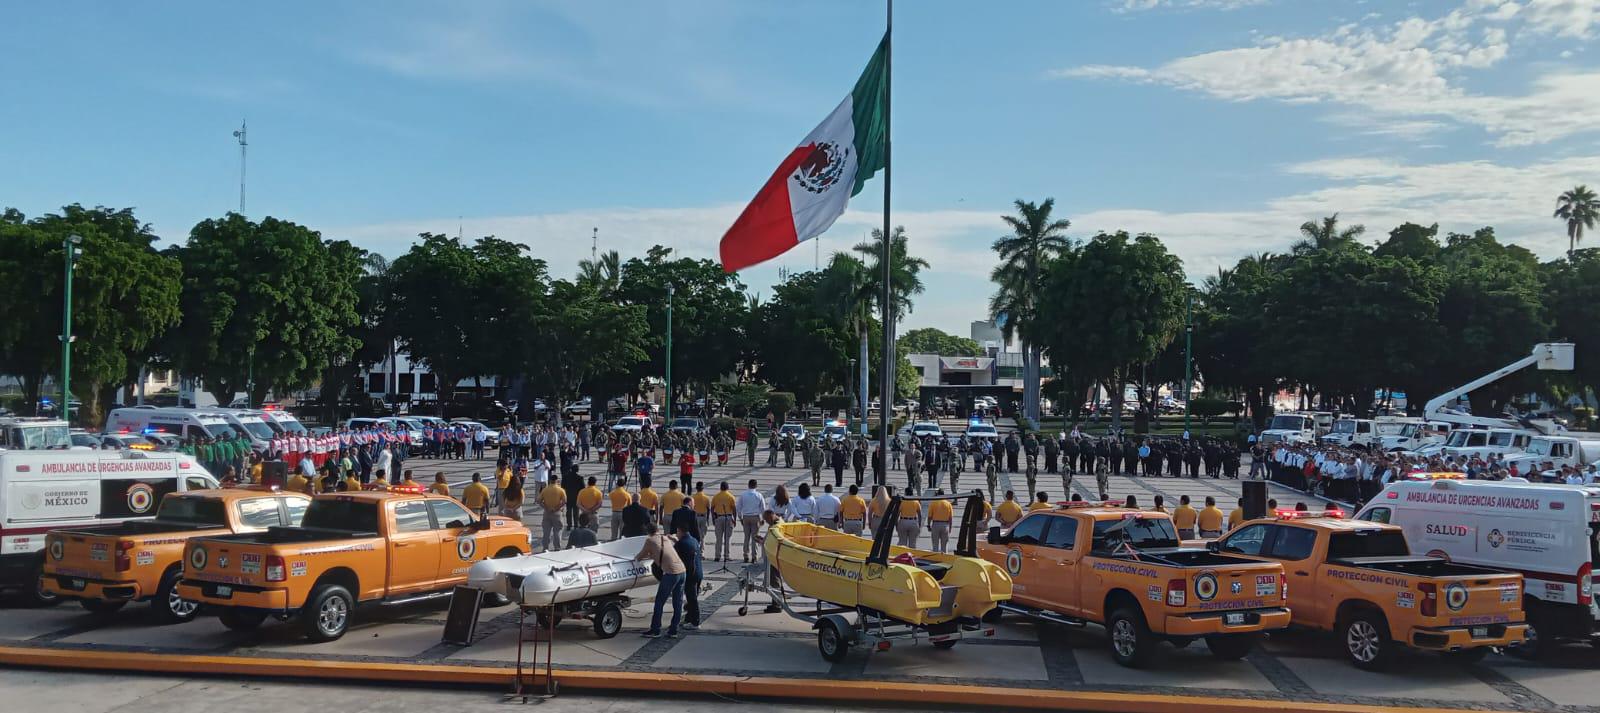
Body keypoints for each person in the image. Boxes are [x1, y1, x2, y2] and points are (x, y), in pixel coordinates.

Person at [635, 523, 685, 638]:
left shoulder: (650, 540)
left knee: (659, 602)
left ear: (648, 532)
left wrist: (634, 559)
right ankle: (673, 630)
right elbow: (675, 541)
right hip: (682, 571)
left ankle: (655, 629)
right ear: (657, 530)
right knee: (677, 602)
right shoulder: (665, 538)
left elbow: (640, 556)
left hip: (671, 573)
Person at [674, 519, 703, 630]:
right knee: (692, 597)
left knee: (692, 599)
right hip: (698, 573)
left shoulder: (681, 543)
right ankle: (689, 618)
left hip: (690, 575)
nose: (677, 534)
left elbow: (674, 556)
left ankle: (695, 622)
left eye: (677, 532)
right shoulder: (694, 540)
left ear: (680, 531)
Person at [736, 479, 766, 563]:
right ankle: (754, 556)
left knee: (746, 537)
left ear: (748, 485)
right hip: (755, 517)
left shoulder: (743, 495)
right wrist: (763, 519)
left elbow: (738, 507)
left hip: (746, 517)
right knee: (754, 537)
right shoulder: (759, 495)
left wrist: (740, 517)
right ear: (756, 486)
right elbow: (763, 508)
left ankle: (745, 555)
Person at [711, 481, 737, 562]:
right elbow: (734, 509)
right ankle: (726, 556)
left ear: (720, 488)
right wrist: (734, 519)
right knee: (727, 538)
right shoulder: (731, 496)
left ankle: (717, 556)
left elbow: (712, 508)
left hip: (718, 518)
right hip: (728, 518)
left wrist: (713, 518)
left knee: (718, 538)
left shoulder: (716, 496)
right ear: (728, 487)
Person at [536, 477, 564, 549]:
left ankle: (545, 548)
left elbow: (539, 501)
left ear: (550, 481)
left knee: (546, 532)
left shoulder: (545, 490)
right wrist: (556, 508)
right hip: (557, 513)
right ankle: (557, 548)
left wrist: (546, 508)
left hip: (547, 513)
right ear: (557, 481)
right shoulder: (560, 490)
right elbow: (564, 501)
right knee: (557, 531)